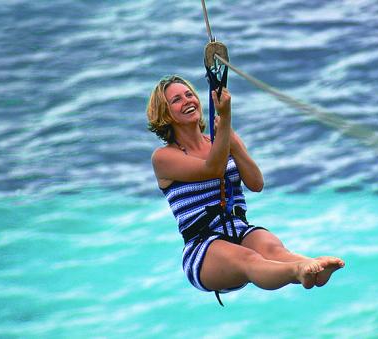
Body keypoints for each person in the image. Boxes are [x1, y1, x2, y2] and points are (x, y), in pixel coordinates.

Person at [146, 75, 344, 301]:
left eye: (189, 94)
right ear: (165, 113)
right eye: (176, 100)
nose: (187, 100)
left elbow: (256, 183)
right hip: (203, 248)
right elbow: (213, 169)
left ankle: (312, 267)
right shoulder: (163, 157)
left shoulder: (218, 140)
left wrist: (233, 141)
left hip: (239, 229)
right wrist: (226, 118)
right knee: (250, 259)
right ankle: (299, 272)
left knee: (274, 250)